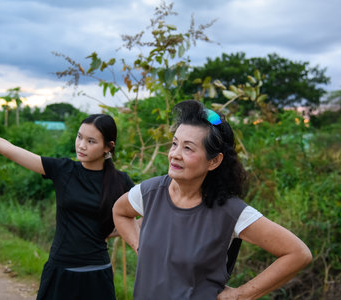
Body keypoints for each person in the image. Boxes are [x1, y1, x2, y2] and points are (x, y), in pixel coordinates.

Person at [113, 100, 312, 300]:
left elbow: (297, 254)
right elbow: (119, 212)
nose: (174, 154)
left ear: (214, 161)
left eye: (188, 148)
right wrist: (140, 247)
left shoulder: (231, 212)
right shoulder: (151, 192)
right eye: (174, 144)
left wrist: (241, 295)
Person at [0, 103, 134, 300]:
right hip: (61, 273)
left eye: (91, 141)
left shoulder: (121, 181)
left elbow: (143, 217)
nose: (81, 145)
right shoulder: (64, 170)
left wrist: (111, 232)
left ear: (109, 147)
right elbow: (7, 149)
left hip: (98, 276)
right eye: (79, 137)